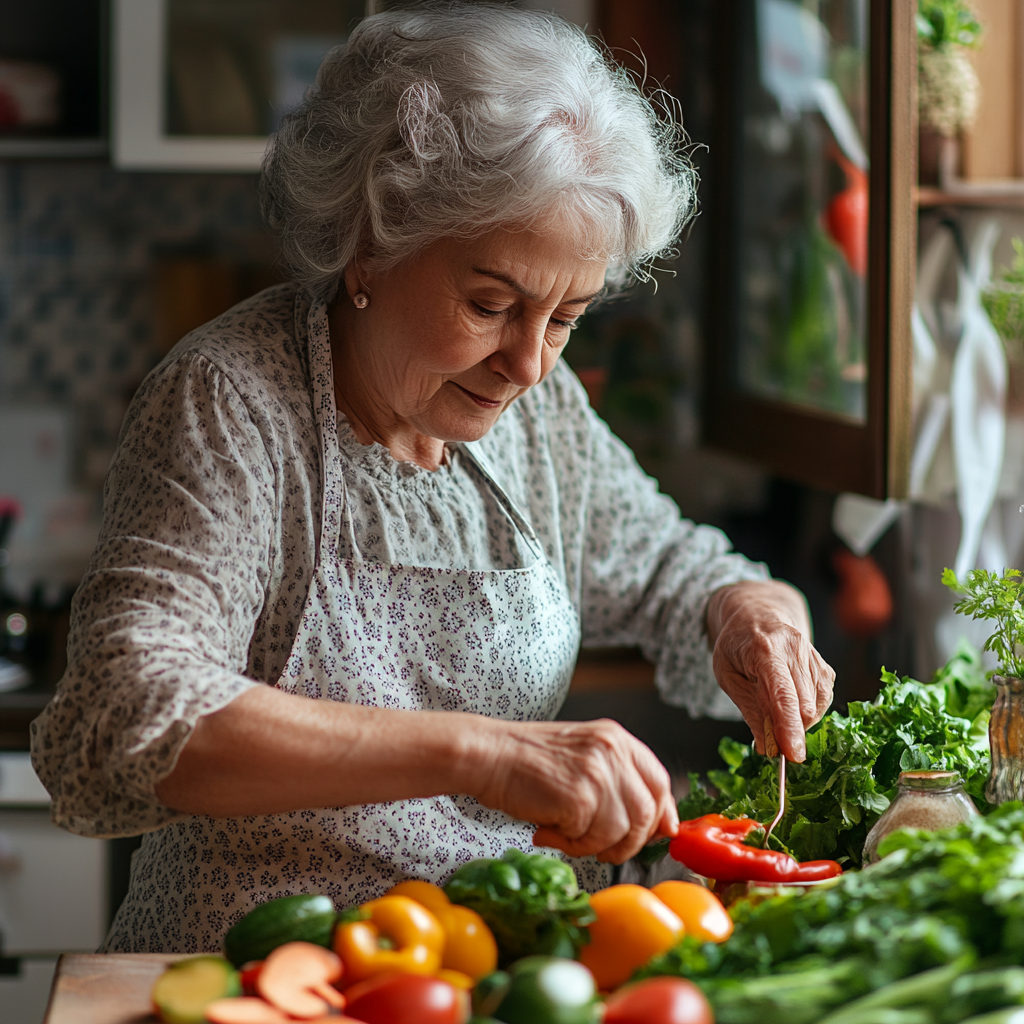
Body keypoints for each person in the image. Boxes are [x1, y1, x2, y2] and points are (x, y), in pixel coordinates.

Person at [31, 2, 834, 954]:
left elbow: (672, 568)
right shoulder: (232, 402)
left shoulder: (537, 408)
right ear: (372, 243)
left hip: (492, 975)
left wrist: (750, 611)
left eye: (567, 316)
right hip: (262, 981)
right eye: (491, 303)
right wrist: (482, 753)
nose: (530, 363)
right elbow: (129, 708)